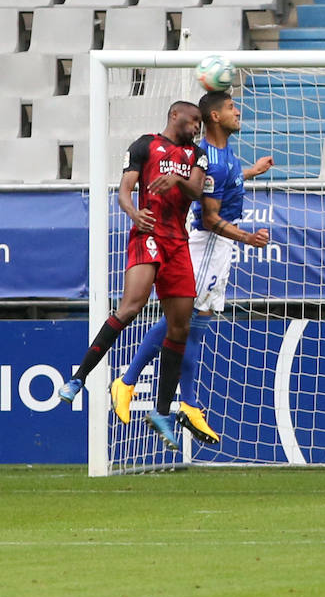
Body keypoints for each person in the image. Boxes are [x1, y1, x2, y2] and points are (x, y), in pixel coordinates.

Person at [109, 90, 274, 445]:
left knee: (195, 325)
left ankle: (188, 404)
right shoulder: (208, 157)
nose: (238, 112)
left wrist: (251, 172)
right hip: (207, 243)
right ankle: (130, 381)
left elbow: (224, 179)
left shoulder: (222, 157)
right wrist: (248, 238)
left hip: (218, 247)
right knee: (179, 322)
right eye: (231, 107)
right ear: (215, 117)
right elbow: (211, 217)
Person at [58, 101, 208, 450]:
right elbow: (126, 189)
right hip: (148, 233)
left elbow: (197, 190)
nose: (197, 126)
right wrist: (133, 214)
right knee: (131, 306)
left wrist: (178, 178)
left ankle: (161, 412)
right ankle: (79, 378)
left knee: (180, 327)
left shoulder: (196, 154)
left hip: (178, 243)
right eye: (194, 120)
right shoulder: (144, 145)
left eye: (201, 122)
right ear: (175, 116)